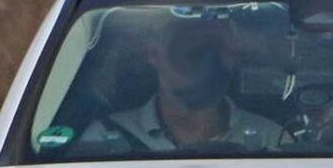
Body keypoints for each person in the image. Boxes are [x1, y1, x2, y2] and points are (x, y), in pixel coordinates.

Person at [81, 15, 280, 152]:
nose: (203, 59)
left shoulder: (274, 141)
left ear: (233, 57)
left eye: (212, 45)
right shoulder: (103, 138)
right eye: (185, 44)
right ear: (153, 53)